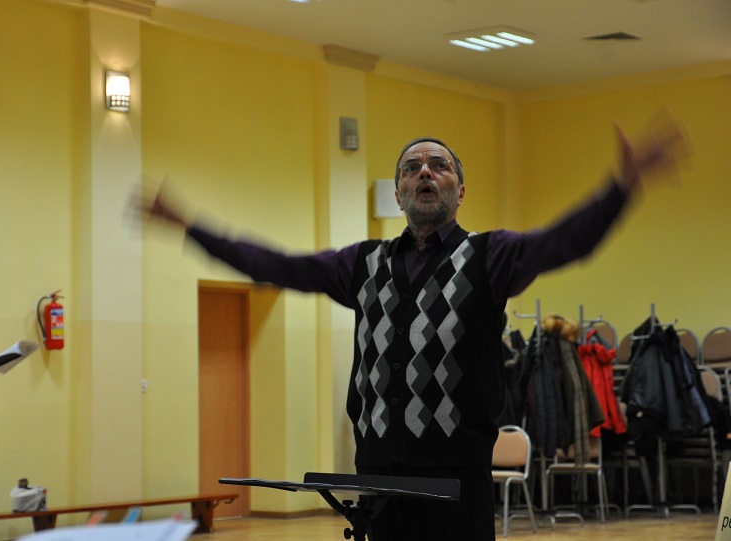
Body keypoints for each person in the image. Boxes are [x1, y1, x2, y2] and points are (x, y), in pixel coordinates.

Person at [137, 113, 687, 540]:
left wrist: (620, 189)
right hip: (377, 475)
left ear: (460, 191)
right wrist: (193, 230)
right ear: (398, 193)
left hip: (455, 476)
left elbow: (563, 242)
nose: (425, 172)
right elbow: (276, 265)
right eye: (411, 167)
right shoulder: (362, 263)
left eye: (439, 165)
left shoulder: (488, 256)